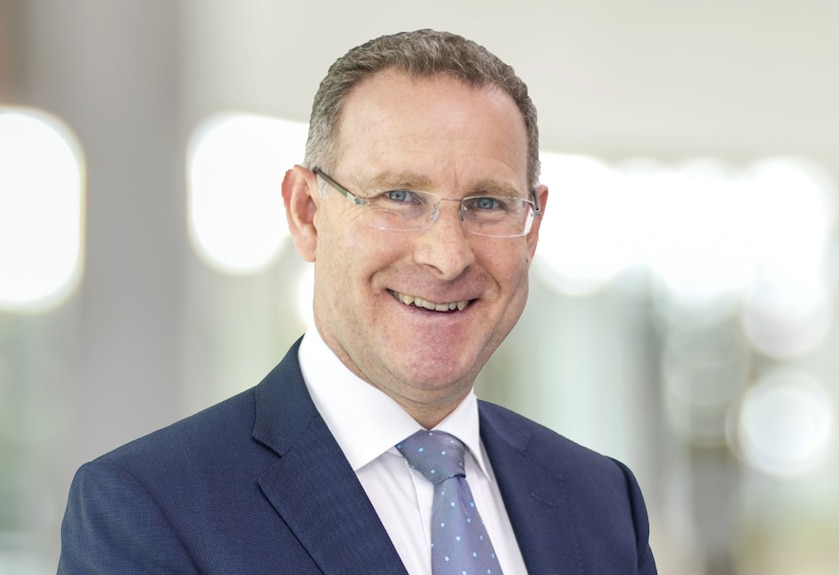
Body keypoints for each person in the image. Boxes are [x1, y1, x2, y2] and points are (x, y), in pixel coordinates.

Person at [58, 29, 657, 574]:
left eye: (488, 203)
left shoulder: (601, 500)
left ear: (533, 224)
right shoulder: (149, 508)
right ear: (307, 212)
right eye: (399, 196)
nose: (447, 256)